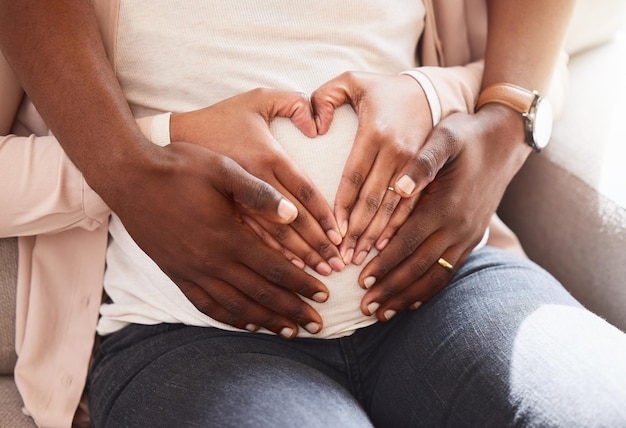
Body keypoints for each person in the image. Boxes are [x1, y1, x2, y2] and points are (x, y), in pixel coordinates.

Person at [2, 0, 626, 427]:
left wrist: (488, 118)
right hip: (185, 336)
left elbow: (548, 53)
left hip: (449, 287)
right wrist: (140, 167)